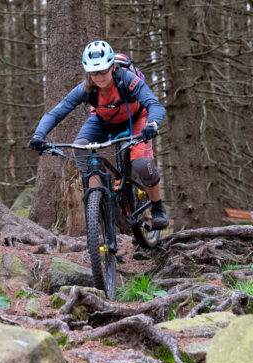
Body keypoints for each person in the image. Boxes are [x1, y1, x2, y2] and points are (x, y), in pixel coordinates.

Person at [28, 40, 169, 229]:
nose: (99, 76)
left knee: (143, 164)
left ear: (112, 66)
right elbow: (56, 112)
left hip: (136, 120)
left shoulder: (127, 79)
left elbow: (154, 105)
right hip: (103, 121)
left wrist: (151, 124)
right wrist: (39, 135)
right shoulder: (85, 88)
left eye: (103, 70)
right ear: (88, 71)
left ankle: (158, 207)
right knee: (80, 147)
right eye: (94, 72)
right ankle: (97, 199)